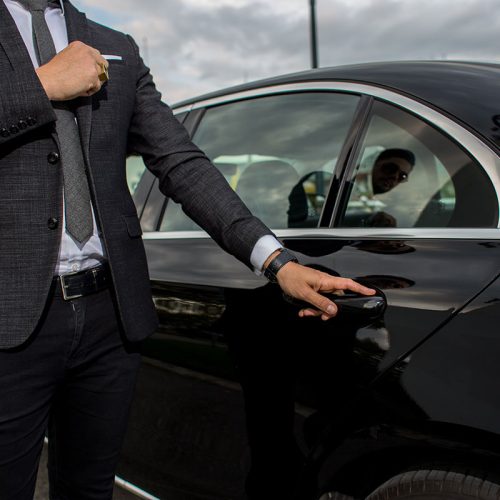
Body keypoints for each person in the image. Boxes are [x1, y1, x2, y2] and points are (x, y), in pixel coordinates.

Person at [0, 1, 375, 498]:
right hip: (9, 320)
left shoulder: (117, 48)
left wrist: (276, 261)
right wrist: (41, 87)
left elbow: (181, 162)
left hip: (108, 319)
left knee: (89, 490)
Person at [350, 147, 415, 227]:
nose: (395, 176)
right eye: (391, 168)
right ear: (371, 164)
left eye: (402, 176)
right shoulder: (340, 191)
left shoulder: (371, 205)